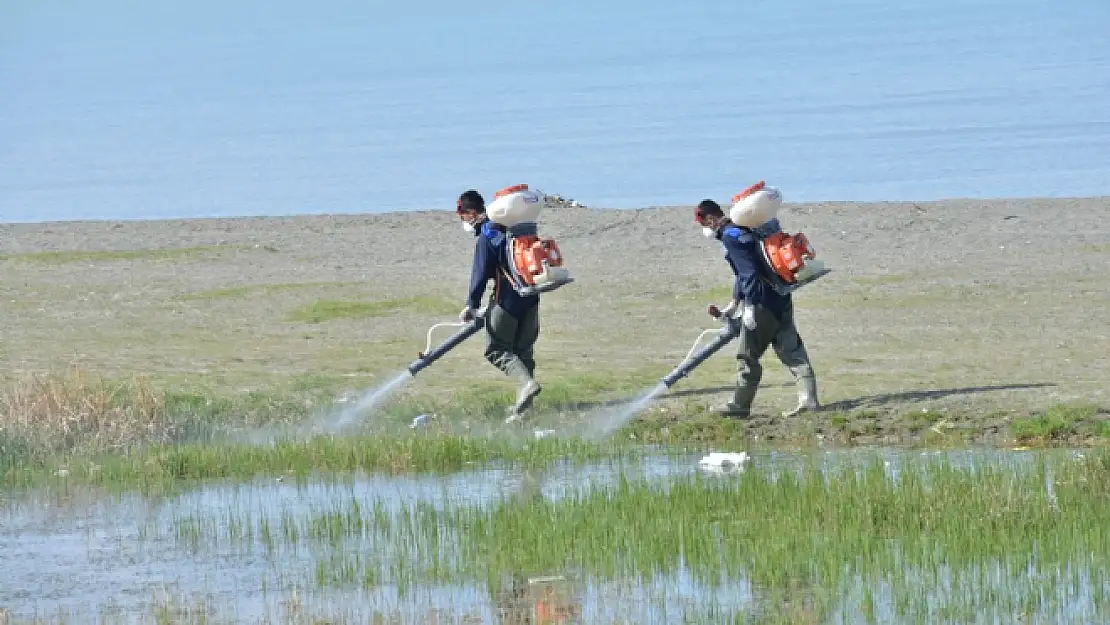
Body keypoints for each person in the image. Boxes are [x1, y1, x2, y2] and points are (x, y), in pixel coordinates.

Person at [694, 198, 821, 418]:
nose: (705, 229)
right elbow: (743, 273)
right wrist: (733, 305)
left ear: (711, 219)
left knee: (747, 357)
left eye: (704, 224)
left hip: (762, 304)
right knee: (792, 350)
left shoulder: (729, 237)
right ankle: (809, 399)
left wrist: (750, 307)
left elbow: (748, 274)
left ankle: (740, 406)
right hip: (781, 295)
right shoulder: (743, 229)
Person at [456, 189, 543, 423]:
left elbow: (480, 274)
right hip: (532, 297)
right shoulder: (513, 228)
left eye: (463, 217)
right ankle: (525, 410)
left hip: (508, 300)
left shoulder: (487, 236)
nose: (464, 221)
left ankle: (526, 385)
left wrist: (471, 305)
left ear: (471, 213)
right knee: (523, 352)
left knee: (496, 350)